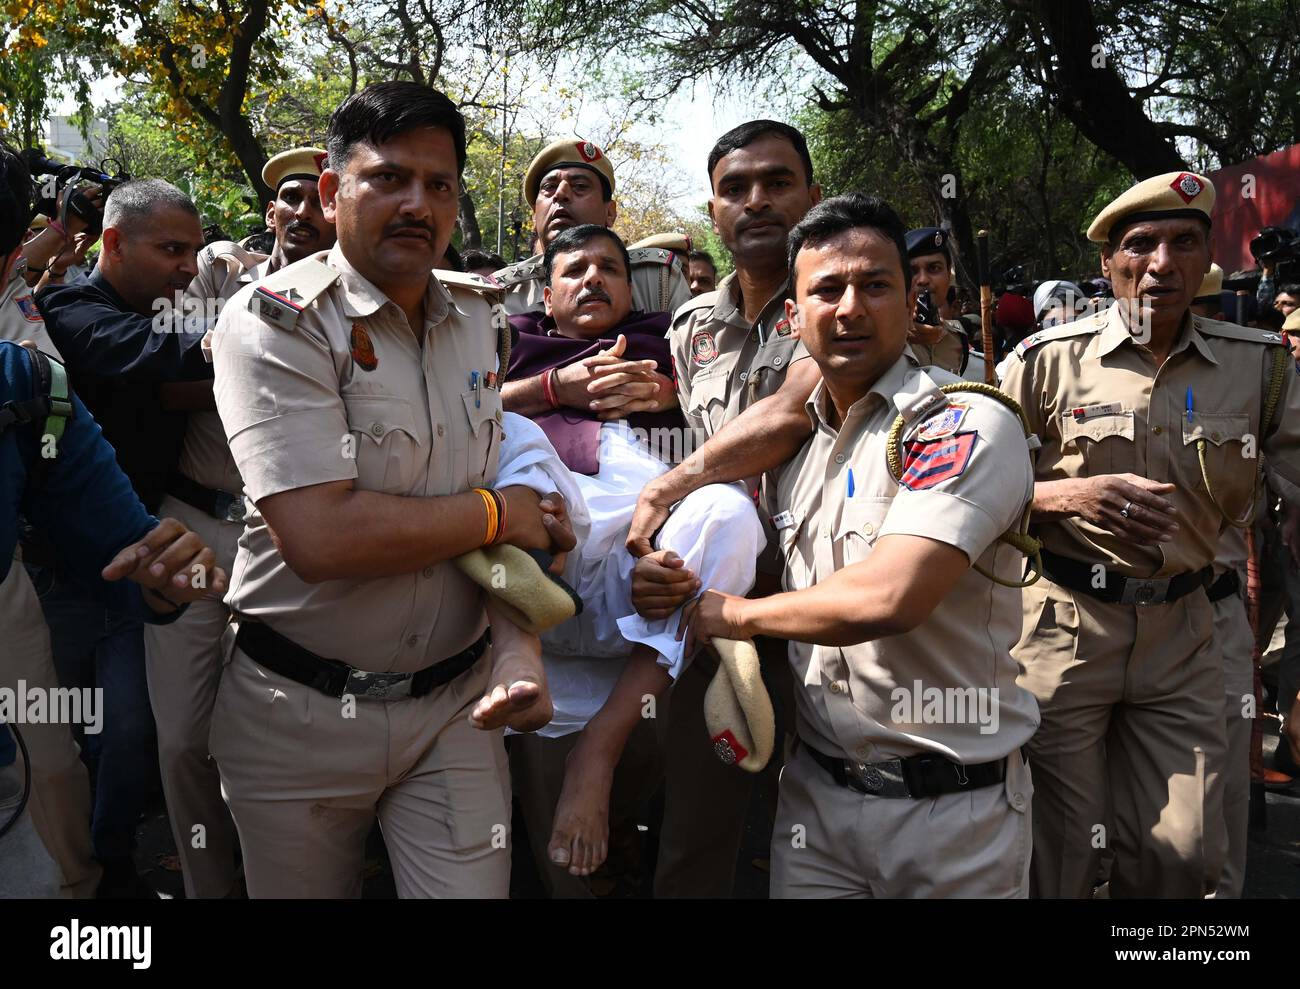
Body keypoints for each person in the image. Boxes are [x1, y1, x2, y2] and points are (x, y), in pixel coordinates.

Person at [209, 81, 576, 898]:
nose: (418, 203)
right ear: (334, 191)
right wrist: (494, 512)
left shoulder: (482, 320)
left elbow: (500, 523)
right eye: (390, 178)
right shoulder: (275, 322)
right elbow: (322, 538)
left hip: (457, 706)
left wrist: (519, 645)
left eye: (439, 184)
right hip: (296, 711)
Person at [684, 192, 1038, 897]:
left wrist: (731, 615)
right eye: (827, 289)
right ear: (794, 316)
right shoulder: (793, 446)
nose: (850, 307)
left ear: (914, 302)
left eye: (875, 285)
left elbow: (891, 594)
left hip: (952, 816)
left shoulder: (958, 421)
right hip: (815, 805)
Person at [999, 170, 1300, 898]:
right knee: (1063, 853)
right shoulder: (1043, 365)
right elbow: (961, 496)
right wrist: (1063, 494)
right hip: (1067, 629)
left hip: (1189, 634)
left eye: (1183, 244)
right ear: (1107, 264)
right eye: (1140, 245)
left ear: (1205, 263)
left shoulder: (1260, 369)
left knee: (1186, 854)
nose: (1161, 264)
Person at [502, 223, 764, 894]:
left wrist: (668, 393)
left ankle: (607, 737)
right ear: (547, 294)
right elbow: (456, 403)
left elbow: (755, 422)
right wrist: (557, 388)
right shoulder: (512, 348)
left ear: (630, 286)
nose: (593, 279)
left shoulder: (669, 346)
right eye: (575, 270)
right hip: (544, 578)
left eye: (609, 269)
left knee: (730, 508)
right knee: (511, 443)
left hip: (647, 586)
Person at [0, 143, 226, 897]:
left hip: (108, 583)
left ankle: (106, 870)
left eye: (194, 251)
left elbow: (183, 371)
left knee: (112, 743)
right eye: (171, 249)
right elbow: (152, 357)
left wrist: (167, 576)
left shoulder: (30, 383)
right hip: (52, 586)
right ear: (112, 244)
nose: (187, 268)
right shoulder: (67, 315)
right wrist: (270, 341)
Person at [140, 147, 336, 899]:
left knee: (275, 736)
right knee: (184, 738)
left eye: (318, 200)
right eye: (290, 198)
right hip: (190, 523)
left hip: (284, 544)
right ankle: (204, 886)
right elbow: (156, 377)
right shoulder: (215, 286)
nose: (304, 213)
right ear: (272, 213)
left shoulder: (361, 310)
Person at [494, 138, 691, 316]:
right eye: (549, 187)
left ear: (610, 213)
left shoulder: (658, 282)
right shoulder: (500, 295)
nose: (561, 194)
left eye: (580, 186)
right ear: (534, 216)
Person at [904, 226, 970, 375]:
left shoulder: (959, 340)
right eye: (912, 271)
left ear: (948, 275)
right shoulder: (884, 340)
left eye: (934, 268)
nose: (923, 280)